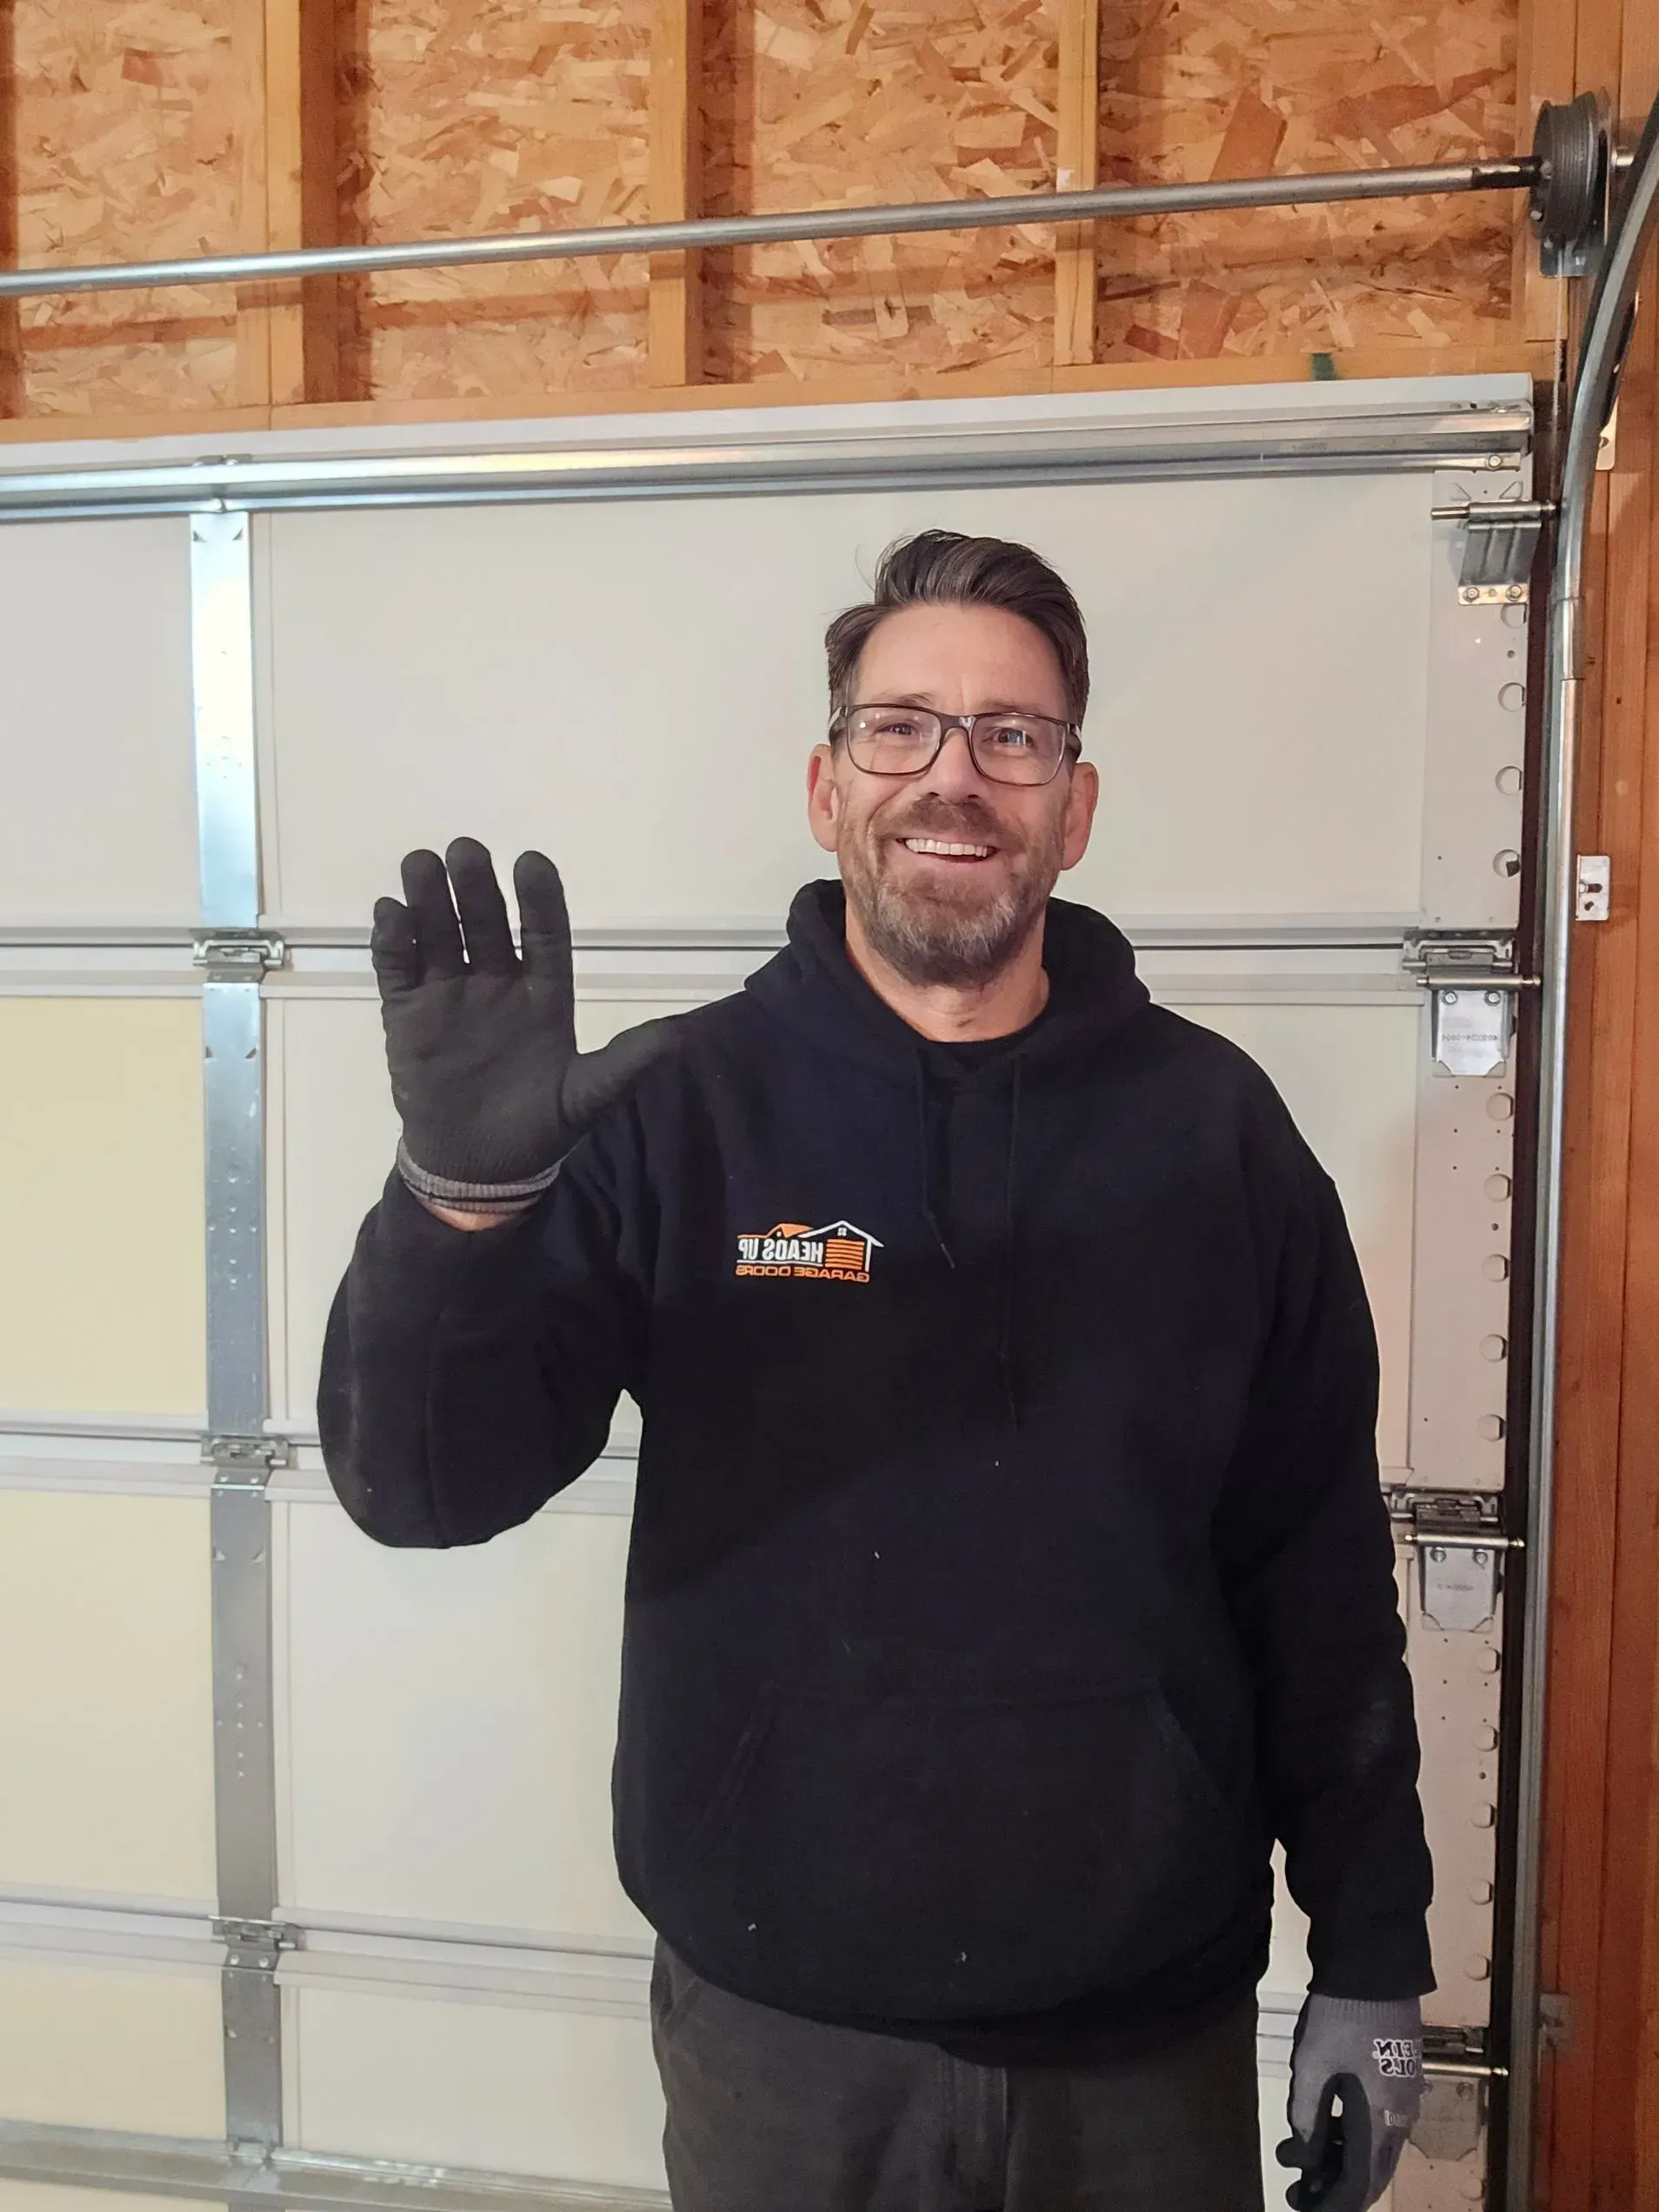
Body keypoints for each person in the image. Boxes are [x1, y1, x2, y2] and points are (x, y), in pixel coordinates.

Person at [320, 530, 1432, 2212]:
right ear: (827, 786)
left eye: (1014, 736)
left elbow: (1319, 1577)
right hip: (781, 2051)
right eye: (901, 727)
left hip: (1144, 2047)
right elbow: (421, 1487)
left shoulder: (1219, 1137)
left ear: (1076, 804)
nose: (954, 778)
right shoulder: (679, 1111)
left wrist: (1371, 1956)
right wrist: (462, 1208)